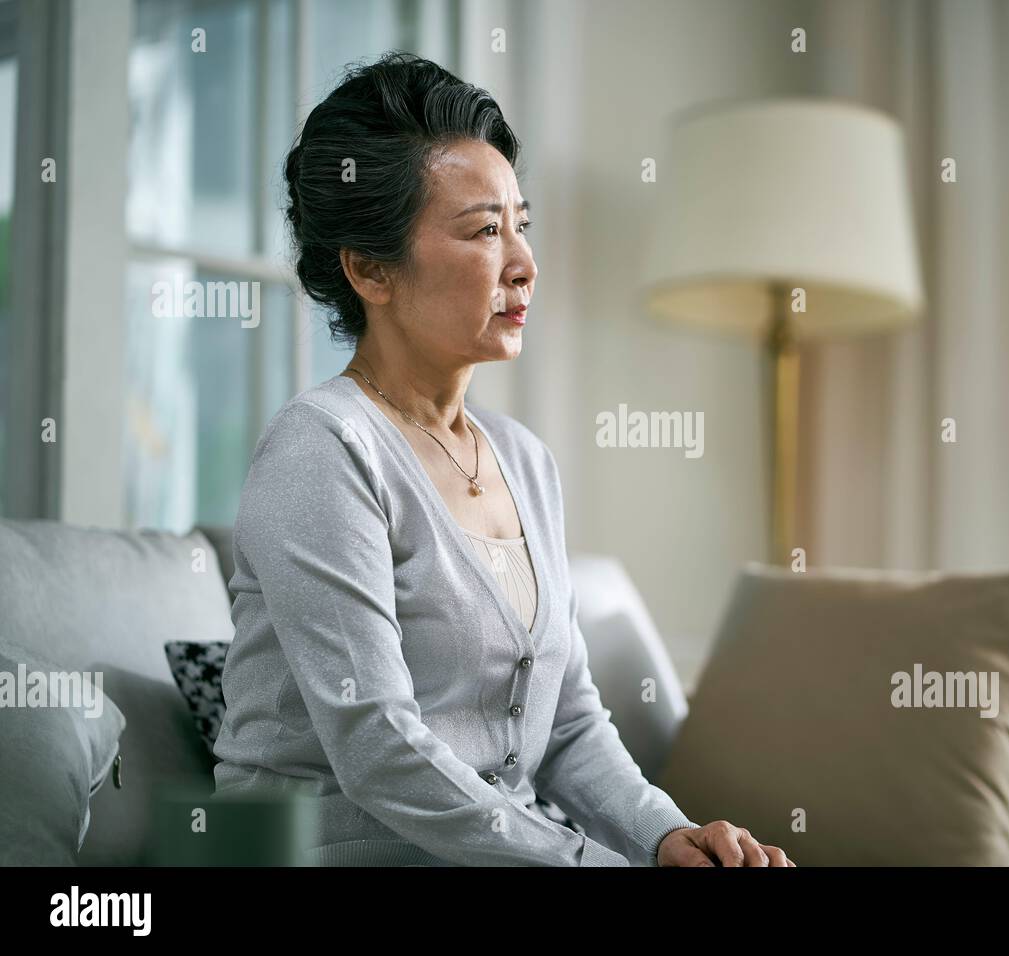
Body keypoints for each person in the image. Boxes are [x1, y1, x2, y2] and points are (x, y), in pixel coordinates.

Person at [211, 51, 793, 868]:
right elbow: (378, 748)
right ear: (369, 269)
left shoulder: (523, 460)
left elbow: (569, 725)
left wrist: (668, 839)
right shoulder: (323, 449)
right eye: (486, 230)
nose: (523, 264)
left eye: (522, 224)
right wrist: (587, 861)